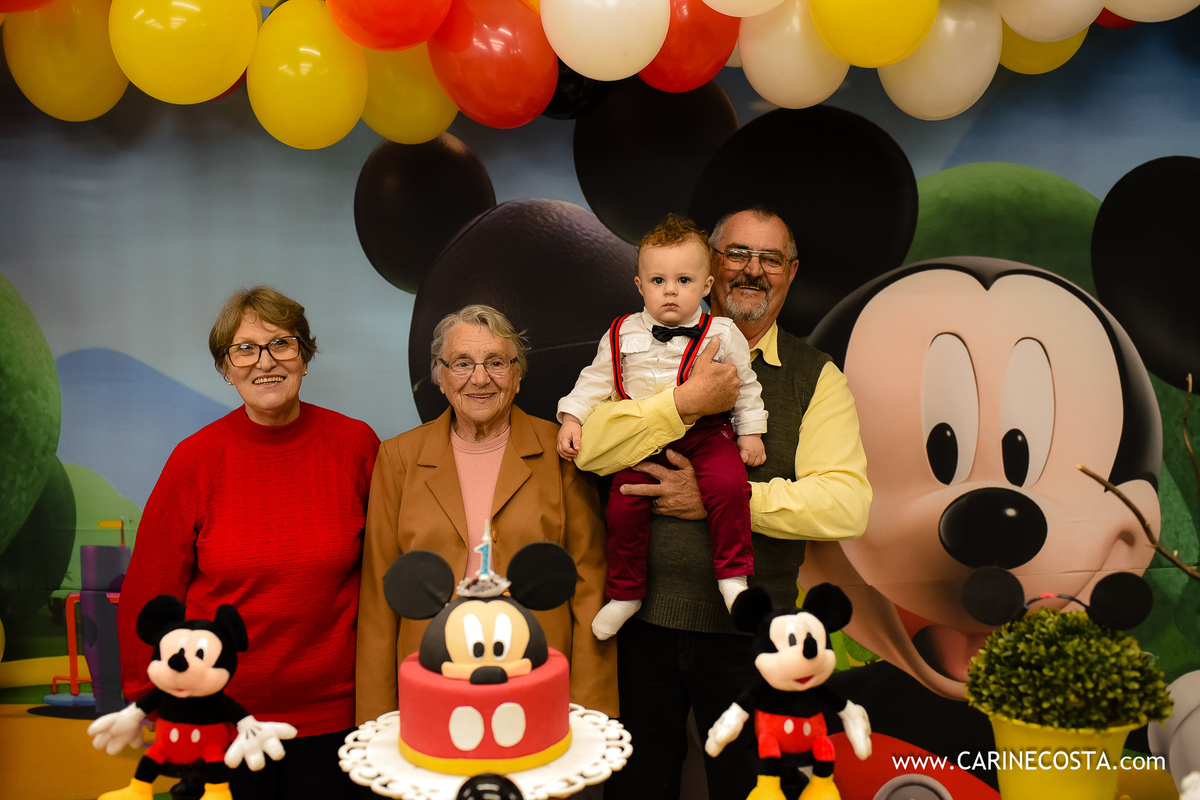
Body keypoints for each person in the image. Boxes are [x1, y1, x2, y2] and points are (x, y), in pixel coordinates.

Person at [575, 207, 873, 800]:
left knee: (750, 788)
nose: (752, 271)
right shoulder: (635, 350)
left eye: (770, 259)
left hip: (753, 639)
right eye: (737, 254)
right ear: (710, 268)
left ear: (790, 273)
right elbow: (591, 452)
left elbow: (846, 505)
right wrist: (682, 404)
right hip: (641, 628)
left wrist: (719, 500)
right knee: (636, 788)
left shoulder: (817, 378)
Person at [116, 285, 380, 800]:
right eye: (244, 348)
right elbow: (151, 588)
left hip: (338, 717)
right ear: (225, 366)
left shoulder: (355, 447)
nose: (266, 362)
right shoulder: (194, 460)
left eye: (281, 344)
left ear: (304, 355)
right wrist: (145, 696)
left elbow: (385, 573)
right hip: (221, 717)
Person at [355, 304, 618, 726]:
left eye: (496, 362)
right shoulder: (399, 457)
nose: (480, 378)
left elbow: (591, 590)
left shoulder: (561, 452)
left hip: (536, 680)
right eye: (462, 363)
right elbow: (378, 598)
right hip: (430, 680)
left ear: (517, 375)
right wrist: (377, 721)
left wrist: (591, 716)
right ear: (440, 377)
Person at [557, 214, 767, 640]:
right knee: (622, 507)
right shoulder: (618, 333)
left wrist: (750, 431)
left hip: (706, 433)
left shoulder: (723, 333)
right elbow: (595, 380)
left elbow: (744, 386)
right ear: (639, 285)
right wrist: (572, 416)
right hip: (640, 437)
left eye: (685, 280)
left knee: (729, 486)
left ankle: (733, 578)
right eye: (658, 281)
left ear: (707, 286)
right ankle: (626, 593)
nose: (670, 291)